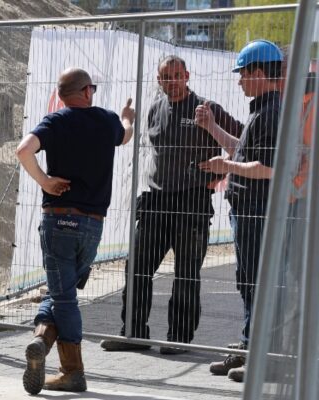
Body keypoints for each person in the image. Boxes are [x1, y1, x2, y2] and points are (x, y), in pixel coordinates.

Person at [102, 56, 242, 355]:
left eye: (178, 75)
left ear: (187, 76)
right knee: (136, 268)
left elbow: (244, 144)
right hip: (156, 201)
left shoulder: (208, 108)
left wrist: (218, 171)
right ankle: (133, 334)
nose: (173, 81)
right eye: (167, 76)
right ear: (159, 79)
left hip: (193, 201)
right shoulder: (155, 108)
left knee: (186, 273)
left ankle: (177, 339)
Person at [16, 68, 135, 394]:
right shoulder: (106, 120)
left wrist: (45, 182)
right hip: (92, 225)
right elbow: (125, 135)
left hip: (58, 219)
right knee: (63, 293)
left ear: (61, 94)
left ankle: (69, 368)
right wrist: (127, 118)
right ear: (85, 92)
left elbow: (23, 150)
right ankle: (46, 347)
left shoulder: (55, 122)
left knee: (62, 295)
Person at [195, 39, 283, 383]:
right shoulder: (261, 109)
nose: (240, 81)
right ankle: (250, 345)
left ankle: (263, 356)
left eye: (243, 74)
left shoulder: (271, 113)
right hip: (248, 209)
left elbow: (268, 167)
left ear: (258, 73)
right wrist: (212, 129)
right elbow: (244, 152)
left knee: (259, 283)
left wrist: (226, 165)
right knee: (248, 281)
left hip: (258, 209)